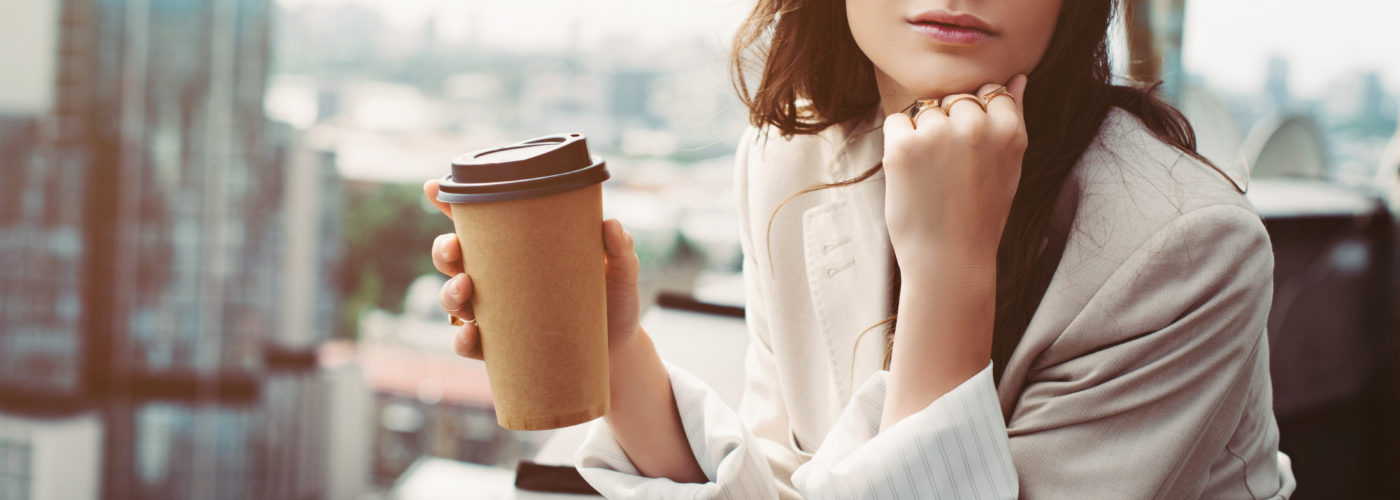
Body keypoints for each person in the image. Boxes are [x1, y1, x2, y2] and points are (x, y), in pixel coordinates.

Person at [423, 0, 1297, 497]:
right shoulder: (790, 160)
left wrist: (949, 270)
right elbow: (795, 485)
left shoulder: (1185, 250)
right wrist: (613, 352)